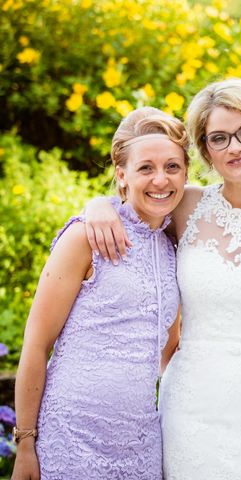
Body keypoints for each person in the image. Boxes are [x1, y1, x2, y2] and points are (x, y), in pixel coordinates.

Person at [82, 79, 241, 480]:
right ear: (205, 150)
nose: (235, 147)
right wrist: (96, 206)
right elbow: (132, 198)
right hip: (191, 413)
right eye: (219, 138)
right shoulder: (185, 207)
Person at [11, 107, 188, 479]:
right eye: (145, 168)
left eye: (172, 167)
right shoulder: (84, 237)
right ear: (121, 175)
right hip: (72, 436)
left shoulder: (175, 245)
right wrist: (25, 444)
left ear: (186, 173)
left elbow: (169, 349)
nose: (161, 179)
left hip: (141, 441)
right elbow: (36, 343)